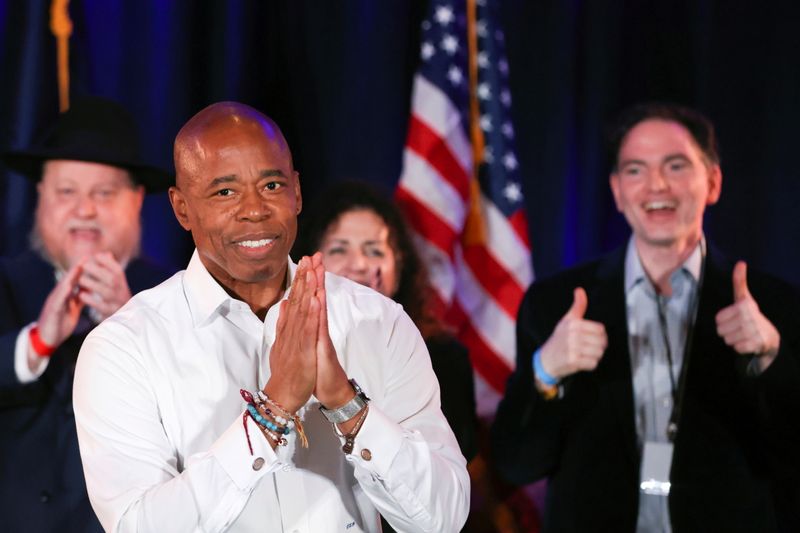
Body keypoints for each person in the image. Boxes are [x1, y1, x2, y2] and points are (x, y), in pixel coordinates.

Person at [73, 102, 470, 532]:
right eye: (225, 192)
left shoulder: (378, 322)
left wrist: (346, 405)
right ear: (182, 208)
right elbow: (139, 526)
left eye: (272, 185)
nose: (255, 209)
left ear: (297, 193)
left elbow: (443, 519)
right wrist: (272, 412)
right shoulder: (123, 347)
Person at [492, 102, 800, 532]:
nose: (656, 185)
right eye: (635, 170)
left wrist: (770, 359)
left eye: (676, 166)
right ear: (617, 191)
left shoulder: (773, 304)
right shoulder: (556, 302)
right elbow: (516, 464)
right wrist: (547, 372)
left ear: (712, 182)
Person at [0, 97, 173, 532]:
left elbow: (197, 406)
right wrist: (39, 340)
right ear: (40, 196)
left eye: (104, 193)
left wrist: (129, 319)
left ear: (136, 201)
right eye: (67, 192)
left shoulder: (169, 292)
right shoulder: (6, 282)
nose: (85, 209)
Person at [296, 180, 479, 463]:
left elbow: (452, 461)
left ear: (400, 264)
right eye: (339, 250)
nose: (358, 264)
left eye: (374, 251)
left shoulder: (443, 354)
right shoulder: (282, 343)